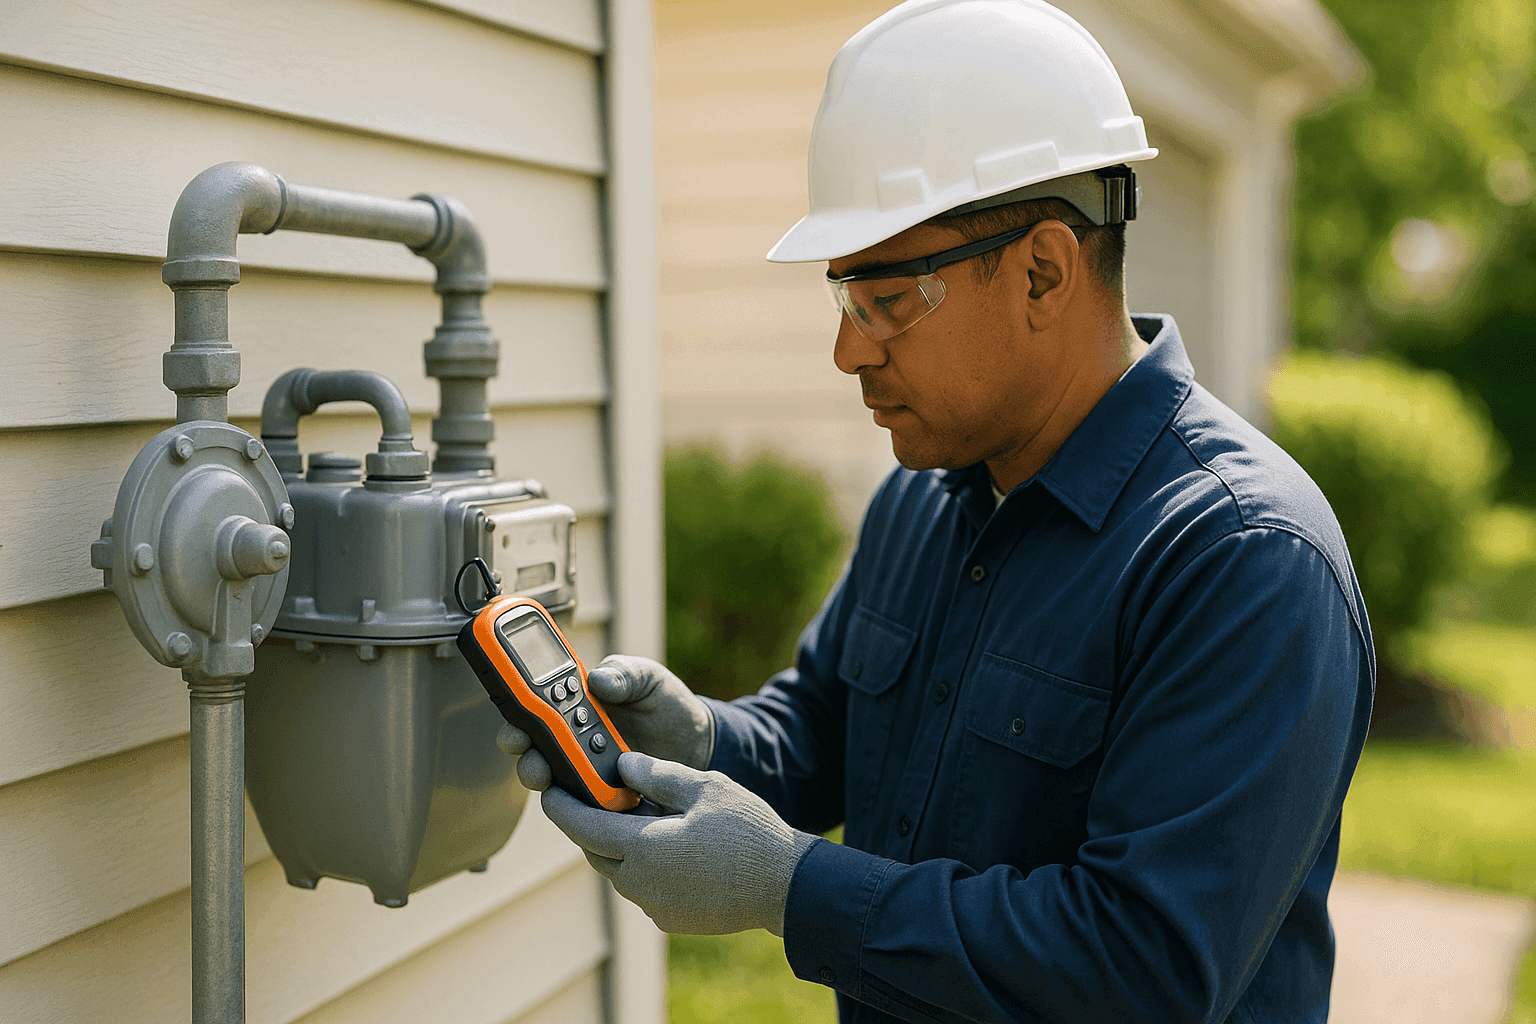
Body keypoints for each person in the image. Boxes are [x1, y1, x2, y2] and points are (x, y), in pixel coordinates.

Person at [499, 1, 1374, 1021]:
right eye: (843, 300)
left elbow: (1143, 966)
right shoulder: (923, 495)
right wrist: (702, 740)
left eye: (888, 301)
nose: (849, 352)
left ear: (1043, 269)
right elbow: (824, 730)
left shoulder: (1243, 557)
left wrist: (789, 886)